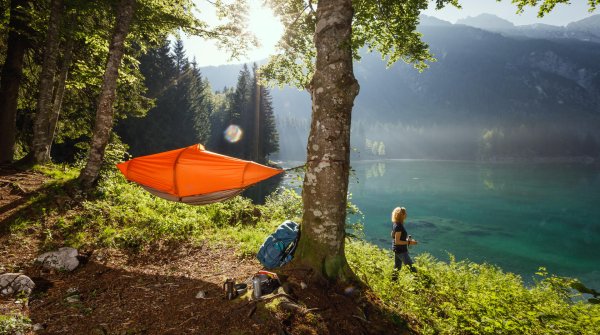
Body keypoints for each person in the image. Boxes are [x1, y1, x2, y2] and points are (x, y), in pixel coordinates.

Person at [391, 206, 417, 280]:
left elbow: (393, 235)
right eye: (405, 213)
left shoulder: (396, 224)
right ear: (401, 215)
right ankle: (419, 287)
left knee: (397, 268)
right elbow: (397, 241)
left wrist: (405, 239)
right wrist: (410, 242)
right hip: (401, 251)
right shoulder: (399, 226)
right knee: (413, 269)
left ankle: (393, 284)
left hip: (397, 250)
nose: (406, 215)